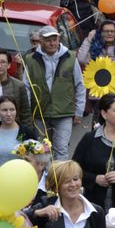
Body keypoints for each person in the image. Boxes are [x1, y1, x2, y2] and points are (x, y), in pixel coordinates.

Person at [23, 26, 86, 160]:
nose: (52, 43)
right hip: (40, 112)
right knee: (42, 151)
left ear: (59, 39)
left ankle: (60, 180)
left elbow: (80, 85)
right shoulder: (31, 59)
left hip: (64, 112)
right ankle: (44, 179)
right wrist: (28, 112)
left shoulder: (70, 57)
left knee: (61, 149)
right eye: (48, 40)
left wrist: (79, 111)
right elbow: (26, 87)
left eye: (54, 39)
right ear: (40, 41)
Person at [0, 95, 37, 170]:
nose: (9, 114)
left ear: (16, 111)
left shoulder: (26, 133)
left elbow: (36, 160)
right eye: (4, 110)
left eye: (12, 110)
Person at [12, 138, 52, 205]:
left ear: (41, 165)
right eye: (22, 159)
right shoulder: (13, 179)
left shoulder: (52, 182)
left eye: (27, 160)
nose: (22, 163)